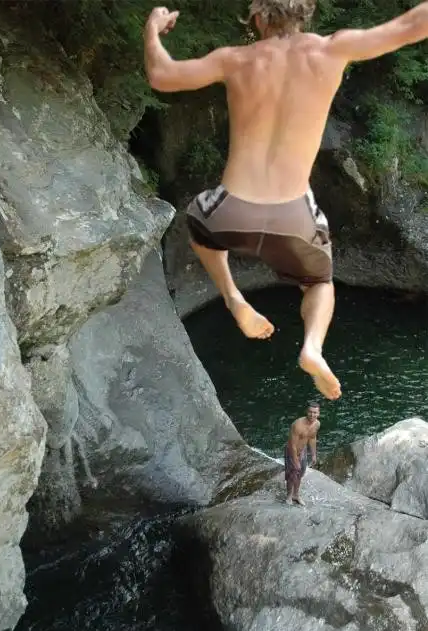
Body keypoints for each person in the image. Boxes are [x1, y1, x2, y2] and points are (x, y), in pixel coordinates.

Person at [143, 2, 428, 401]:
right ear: (305, 13)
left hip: (232, 208)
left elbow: (161, 75)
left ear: (258, 16)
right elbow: (411, 25)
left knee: (199, 222)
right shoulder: (333, 49)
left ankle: (233, 298)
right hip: (292, 214)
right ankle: (312, 347)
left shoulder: (235, 60)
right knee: (320, 284)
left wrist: (152, 28)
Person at [285, 402, 320, 505]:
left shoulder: (317, 424)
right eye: (310, 412)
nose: (312, 415)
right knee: (292, 474)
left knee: (300, 474)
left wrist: (313, 454)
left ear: (318, 413)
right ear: (306, 412)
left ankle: (296, 495)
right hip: (291, 451)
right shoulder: (297, 425)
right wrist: (295, 461)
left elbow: (312, 438)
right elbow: (292, 445)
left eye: (315, 412)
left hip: (303, 450)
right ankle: (289, 496)